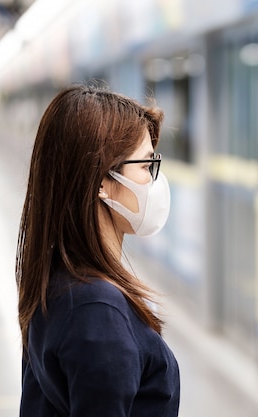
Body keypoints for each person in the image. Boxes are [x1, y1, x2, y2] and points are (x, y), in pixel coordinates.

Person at [17, 84, 180, 417]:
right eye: (146, 167)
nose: (154, 182)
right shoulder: (97, 314)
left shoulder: (59, 284)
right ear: (102, 182)